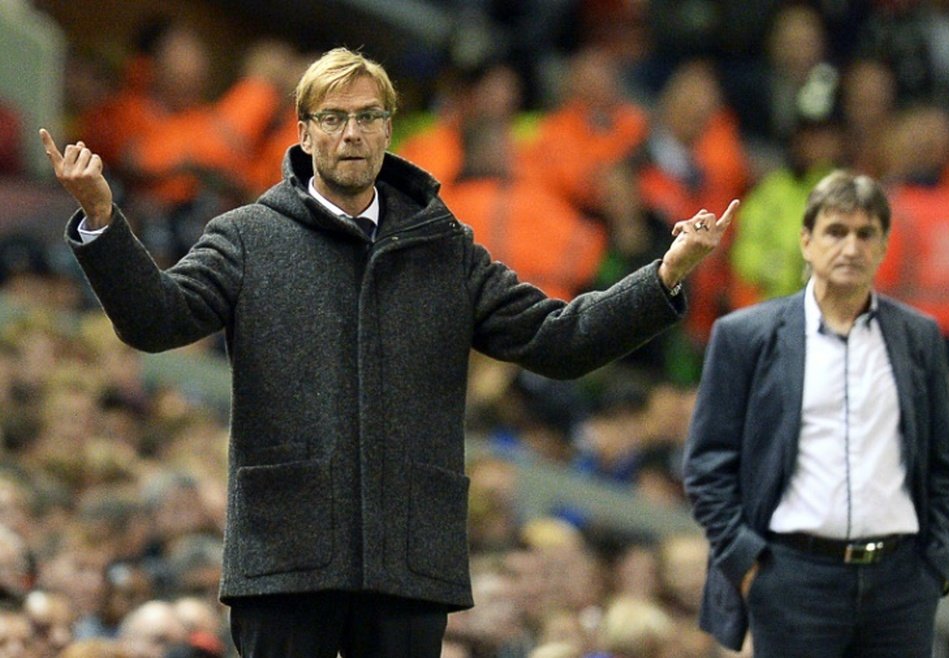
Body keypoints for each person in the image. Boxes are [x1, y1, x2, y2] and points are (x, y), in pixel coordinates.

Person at [39, 47, 738, 658]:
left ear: (389, 131)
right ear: (305, 132)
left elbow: (560, 342)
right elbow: (156, 321)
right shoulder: (246, 236)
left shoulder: (447, 249)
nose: (352, 133)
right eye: (334, 118)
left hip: (409, 560)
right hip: (286, 555)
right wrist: (103, 220)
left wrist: (665, 275)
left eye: (369, 116)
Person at [682, 170, 949, 656]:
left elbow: (942, 465)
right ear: (807, 241)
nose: (851, 247)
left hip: (901, 583)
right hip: (793, 577)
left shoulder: (918, 337)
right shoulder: (745, 336)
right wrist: (749, 565)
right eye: (836, 231)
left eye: (865, 234)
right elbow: (707, 466)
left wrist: (936, 564)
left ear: (883, 246)